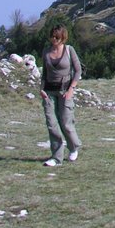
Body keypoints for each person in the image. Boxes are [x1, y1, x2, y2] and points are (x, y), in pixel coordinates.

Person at [40, 25, 82, 166]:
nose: (54, 39)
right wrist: (42, 88)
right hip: (49, 92)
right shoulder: (46, 52)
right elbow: (44, 73)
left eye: (56, 37)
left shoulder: (69, 50)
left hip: (65, 92)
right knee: (52, 124)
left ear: (62, 37)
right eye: (52, 36)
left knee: (65, 123)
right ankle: (56, 158)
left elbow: (78, 71)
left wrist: (71, 89)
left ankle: (73, 147)